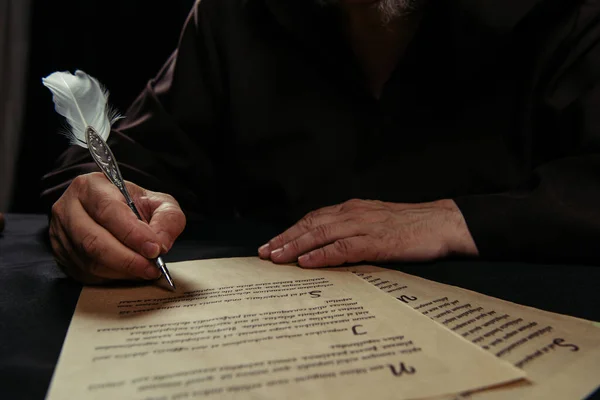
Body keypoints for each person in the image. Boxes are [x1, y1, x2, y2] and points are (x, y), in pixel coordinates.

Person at [41, 0, 600, 284]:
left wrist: (460, 219)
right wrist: (96, 206)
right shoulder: (236, 14)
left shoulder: (569, 14)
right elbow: (120, 165)